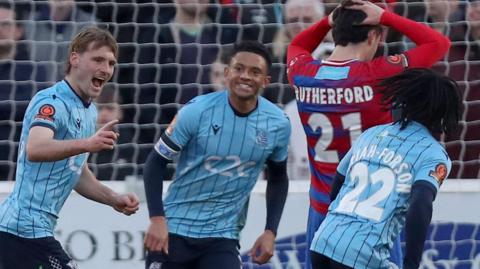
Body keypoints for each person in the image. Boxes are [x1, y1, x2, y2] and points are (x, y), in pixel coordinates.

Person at [286, 0, 451, 268]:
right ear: (374, 35)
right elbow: (439, 43)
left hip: (322, 210)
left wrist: (328, 20)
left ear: (335, 33)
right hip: (372, 214)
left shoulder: (303, 73)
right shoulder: (379, 76)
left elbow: (298, 46)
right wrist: (386, 16)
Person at [143, 40, 291, 269]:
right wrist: (157, 218)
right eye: (239, 68)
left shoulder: (278, 124)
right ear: (226, 72)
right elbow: (155, 162)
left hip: (223, 237)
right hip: (174, 229)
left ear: (266, 81)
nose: (245, 76)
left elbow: (278, 178)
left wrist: (270, 231)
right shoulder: (196, 111)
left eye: (255, 72)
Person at [0, 27, 140, 269]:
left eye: (111, 63)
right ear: (75, 59)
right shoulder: (51, 101)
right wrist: (88, 143)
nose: (106, 69)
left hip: (31, 231)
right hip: (22, 229)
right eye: (98, 59)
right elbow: (36, 148)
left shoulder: (89, 111)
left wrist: (113, 199)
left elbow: (76, 173)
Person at [310, 68, 462, 269]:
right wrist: (411, 264)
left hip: (323, 240)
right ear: (443, 113)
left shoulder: (371, 134)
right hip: (362, 255)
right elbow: (421, 204)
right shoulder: (434, 155)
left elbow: (339, 179)